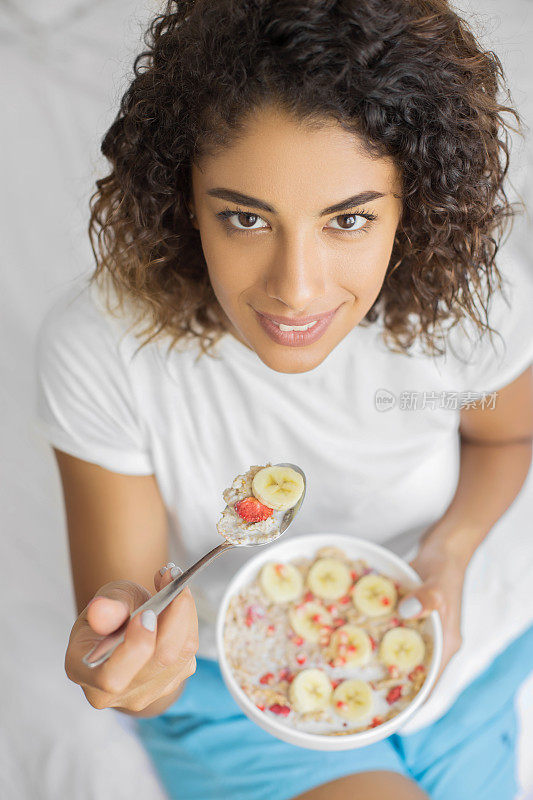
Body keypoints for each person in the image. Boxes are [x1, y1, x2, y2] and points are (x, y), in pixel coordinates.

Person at [35, 0, 533, 798]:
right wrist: (132, 670)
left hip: (451, 663)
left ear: (412, 207)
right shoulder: (104, 347)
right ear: (182, 198)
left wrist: (450, 551)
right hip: (236, 693)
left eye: (347, 220)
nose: (294, 290)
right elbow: (137, 659)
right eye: (243, 217)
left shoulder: (473, 305)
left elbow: (504, 438)